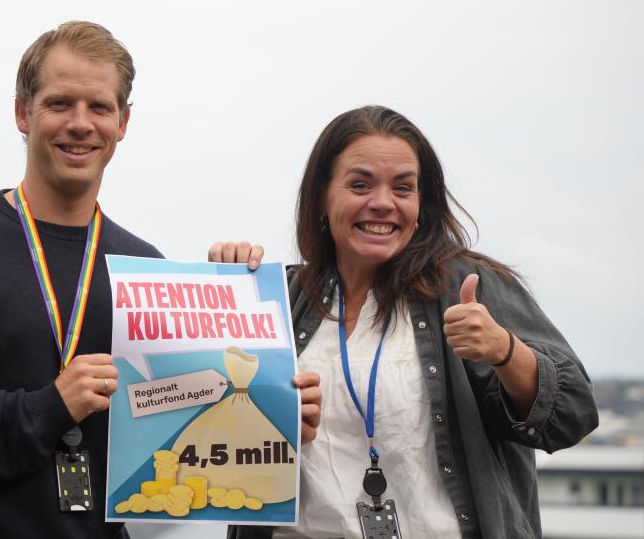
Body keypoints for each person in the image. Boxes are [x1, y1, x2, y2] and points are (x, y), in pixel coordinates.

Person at [0, 21, 321, 538]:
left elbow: (175, 428)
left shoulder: (143, 269)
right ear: (22, 113)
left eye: (99, 107)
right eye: (59, 104)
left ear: (122, 122)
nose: (81, 123)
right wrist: (47, 408)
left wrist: (278, 414)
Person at [214, 105, 597, 538]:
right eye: (360, 184)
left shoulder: (467, 286)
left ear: (421, 202)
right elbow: (208, 441)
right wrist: (223, 291)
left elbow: (572, 415)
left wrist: (505, 351)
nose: (382, 203)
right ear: (322, 197)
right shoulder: (279, 297)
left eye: (403, 187)